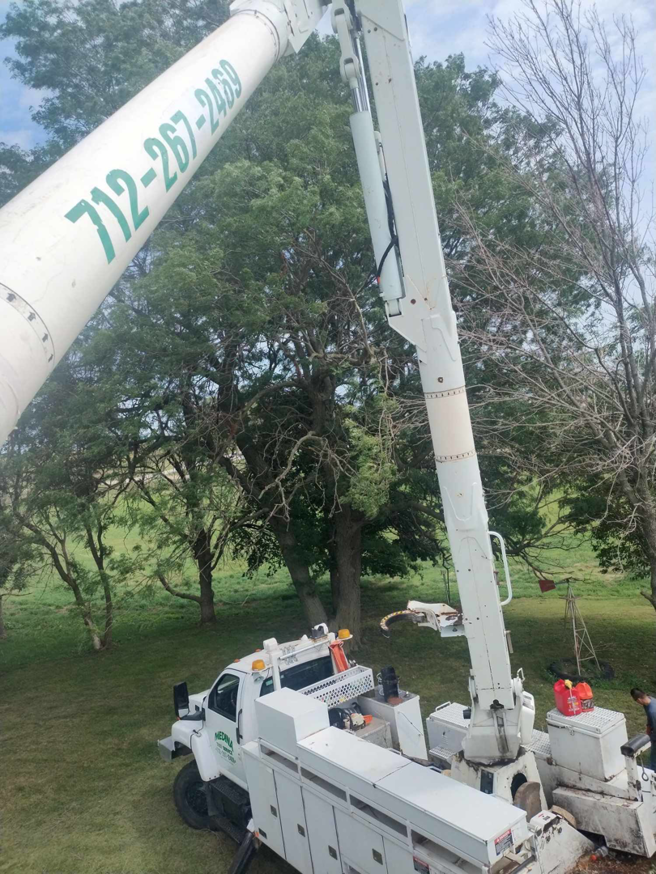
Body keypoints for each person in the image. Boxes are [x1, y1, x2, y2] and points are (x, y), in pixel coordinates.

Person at [630, 688, 656, 771]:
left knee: (654, 755)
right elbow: (649, 718)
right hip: (653, 727)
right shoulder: (650, 700)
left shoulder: (653, 711)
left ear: (638, 700)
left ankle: (653, 771)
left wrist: (652, 737)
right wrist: (648, 727)